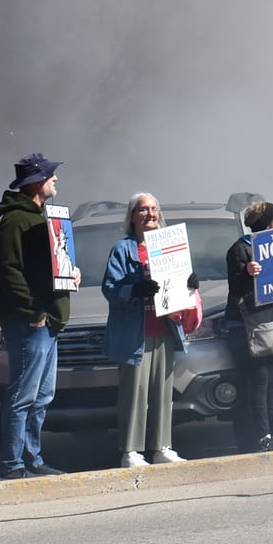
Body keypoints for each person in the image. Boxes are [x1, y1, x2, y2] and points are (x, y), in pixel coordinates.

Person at [0, 152, 70, 480]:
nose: (56, 179)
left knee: (41, 396)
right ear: (36, 181)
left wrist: (70, 274)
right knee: (23, 394)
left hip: (46, 320)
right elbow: (7, 272)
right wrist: (32, 311)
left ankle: (31, 460)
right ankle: (11, 465)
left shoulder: (39, 217)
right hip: (31, 322)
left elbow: (44, 268)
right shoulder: (13, 222)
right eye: (51, 175)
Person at [103, 192, 195, 467]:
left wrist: (190, 282)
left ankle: (162, 447)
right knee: (135, 393)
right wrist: (134, 289)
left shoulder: (169, 247)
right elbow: (110, 288)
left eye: (154, 209)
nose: (150, 214)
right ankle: (130, 451)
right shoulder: (123, 249)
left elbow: (180, 284)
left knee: (162, 393)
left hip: (164, 328)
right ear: (132, 216)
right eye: (143, 209)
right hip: (136, 333)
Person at [225, 200, 273, 451]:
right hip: (247, 325)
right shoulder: (240, 250)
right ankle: (261, 436)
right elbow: (236, 288)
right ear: (264, 223)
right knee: (258, 382)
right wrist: (247, 273)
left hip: (270, 321)